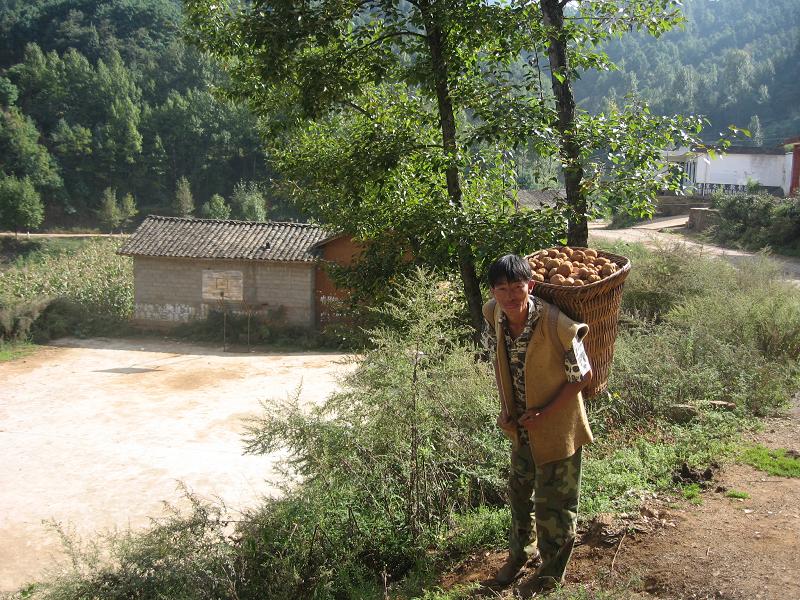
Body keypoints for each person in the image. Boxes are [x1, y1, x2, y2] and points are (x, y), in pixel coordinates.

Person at [481, 253, 594, 590]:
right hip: (522, 429)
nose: (511, 296)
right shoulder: (494, 315)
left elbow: (583, 376)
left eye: (518, 287)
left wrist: (545, 412)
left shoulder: (557, 324)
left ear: (530, 286)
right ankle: (519, 554)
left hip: (559, 429)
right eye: (502, 289)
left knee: (555, 505)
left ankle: (549, 574)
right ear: (493, 292)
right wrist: (505, 408)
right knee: (519, 495)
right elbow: (496, 361)